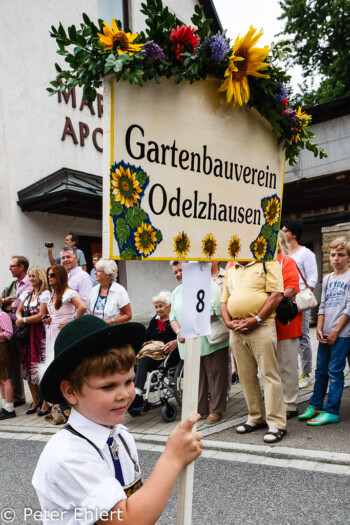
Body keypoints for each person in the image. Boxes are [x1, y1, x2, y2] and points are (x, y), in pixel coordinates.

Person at [33, 315, 202, 524]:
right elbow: (127, 520)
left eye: (129, 381)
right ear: (71, 391)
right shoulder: (68, 454)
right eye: (108, 386)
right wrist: (172, 458)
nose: (124, 394)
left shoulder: (120, 435)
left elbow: (132, 499)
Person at [221, 258, 286, 443]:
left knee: (269, 375)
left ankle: (276, 424)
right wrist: (228, 322)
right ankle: (255, 417)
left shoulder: (268, 264)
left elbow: (276, 295)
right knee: (245, 375)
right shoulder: (231, 269)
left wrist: (256, 319)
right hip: (236, 329)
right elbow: (224, 302)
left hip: (262, 326)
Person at [169, 261, 229, 425]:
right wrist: (178, 331)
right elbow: (172, 317)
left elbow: (211, 312)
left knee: (215, 376)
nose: (179, 274)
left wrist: (188, 330)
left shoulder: (209, 285)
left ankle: (216, 410)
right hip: (187, 342)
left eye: (181, 270)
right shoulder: (176, 292)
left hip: (210, 341)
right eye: (175, 272)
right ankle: (200, 409)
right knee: (197, 378)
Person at [299, 237, 350, 425]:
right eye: (333, 255)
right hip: (325, 333)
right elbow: (322, 307)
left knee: (335, 371)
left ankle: (332, 411)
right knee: (320, 370)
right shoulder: (327, 279)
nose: (336, 258)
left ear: (348, 258)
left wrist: (336, 330)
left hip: (343, 334)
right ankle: (316, 405)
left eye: (341, 255)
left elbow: (349, 308)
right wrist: (319, 328)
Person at [128, 290, 179, 416]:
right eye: (156, 307)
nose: (158, 309)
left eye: (160, 306)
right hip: (153, 354)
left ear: (169, 306)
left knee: (143, 361)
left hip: (170, 355)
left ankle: (138, 396)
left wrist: (175, 342)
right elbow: (145, 338)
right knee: (135, 360)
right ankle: (134, 393)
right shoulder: (154, 321)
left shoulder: (175, 320)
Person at [281, 220, 318, 389]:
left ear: (294, 234)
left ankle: (306, 373)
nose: (282, 232)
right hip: (284, 302)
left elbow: (312, 279)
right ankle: (290, 372)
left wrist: (303, 295)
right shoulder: (281, 254)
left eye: (285, 230)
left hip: (299, 302)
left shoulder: (306, 254)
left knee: (302, 337)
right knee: (287, 340)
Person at [41, 265, 87, 392]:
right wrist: (46, 317)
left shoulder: (68, 292)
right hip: (51, 331)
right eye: (48, 275)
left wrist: (72, 324)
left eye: (52, 275)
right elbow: (48, 313)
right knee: (51, 363)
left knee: (62, 364)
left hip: (62, 333)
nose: (49, 277)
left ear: (60, 276)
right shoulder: (52, 294)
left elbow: (82, 307)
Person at [15, 266, 50, 416]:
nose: (30, 279)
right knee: (29, 367)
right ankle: (35, 400)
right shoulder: (27, 293)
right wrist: (19, 318)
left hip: (39, 333)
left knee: (40, 366)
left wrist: (23, 319)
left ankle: (45, 401)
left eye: (33, 276)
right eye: (29, 276)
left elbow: (41, 315)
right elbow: (18, 310)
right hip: (27, 333)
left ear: (40, 277)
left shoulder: (45, 294)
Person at [276, 231, 302, 420]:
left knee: (288, 365)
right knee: (274, 366)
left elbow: (292, 287)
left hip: (285, 320)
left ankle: (290, 404)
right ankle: (279, 400)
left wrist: (268, 304)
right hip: (267, 322)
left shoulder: (286, 261)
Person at [2, 256, 31, 406]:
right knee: (13, 362)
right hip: (13, 324)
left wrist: (12, 305)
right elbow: (2, 298)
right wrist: (5, 302)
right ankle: (18, 397)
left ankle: (38, 399)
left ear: (21, 267)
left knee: (28, 361)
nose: (10, 268)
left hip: (26, 325)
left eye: (12, 266)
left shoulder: (30, 283)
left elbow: (27, 304)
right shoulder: (14, 284)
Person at [88, 259, 132, 325]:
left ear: (107, 275)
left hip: (113, 330)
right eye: (95, 270)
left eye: (98, 271)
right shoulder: (94, 290)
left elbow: (128, 315)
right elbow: (91, 312)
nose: (95, 273)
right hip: (97, 330)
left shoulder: (119, 290)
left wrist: (110, 321)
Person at [0, 294, 15, 420]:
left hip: (2, 349)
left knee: (6, 378)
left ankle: (9, 408)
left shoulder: (2, 315)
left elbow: (8, 333)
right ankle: (5, 406)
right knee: (1, 380)